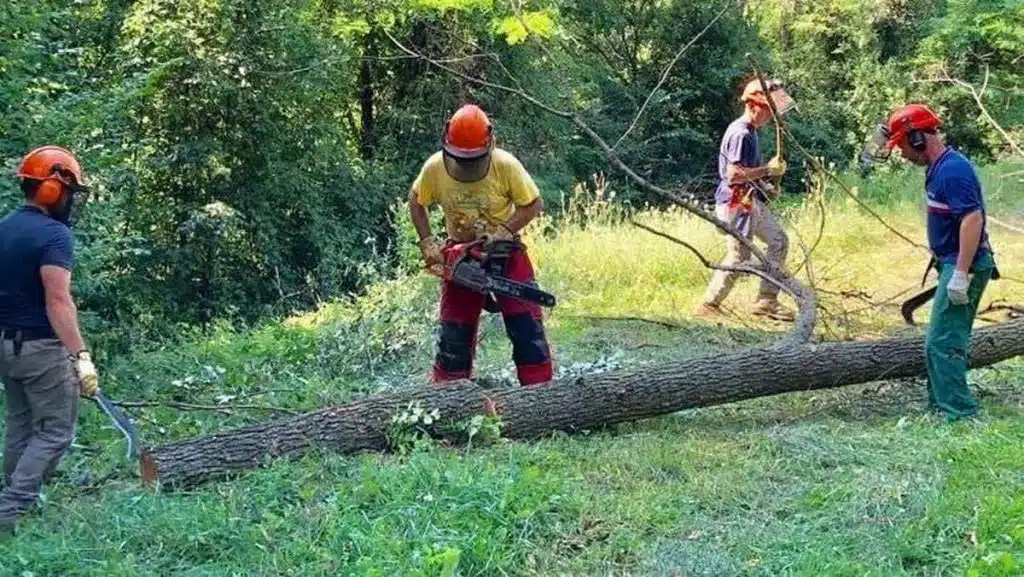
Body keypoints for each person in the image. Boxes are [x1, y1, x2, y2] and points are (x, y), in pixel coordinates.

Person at [409, 104, 553, 387]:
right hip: (461, 255)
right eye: (461, 159)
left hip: (505, 252)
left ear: (489, 143)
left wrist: (504, 230)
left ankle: (539, 391)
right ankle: (449, 392)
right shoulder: (435, 168)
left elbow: (533, 203)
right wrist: (427, 242)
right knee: (454, 334)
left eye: (472, 159)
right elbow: (416, 202)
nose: (466, 164)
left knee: (526, 327)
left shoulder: (505, 165)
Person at [872, 103, 996, 421]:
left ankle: (959, 412)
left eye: (902, 145)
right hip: (952, 262)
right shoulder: (940, 167)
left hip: (965, 264)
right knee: (938, 339)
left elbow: (972, 219)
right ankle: (941, 404)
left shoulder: (953, 170)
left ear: (917, 138)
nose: (901, 153)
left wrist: (961, 273)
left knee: (944, 341)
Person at [0, 146, 99, 535]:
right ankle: (11, 509)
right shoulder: (55, 235)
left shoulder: (5, 227)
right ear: (51, 188)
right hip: (41, 348)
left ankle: (11, 495)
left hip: (5, 345)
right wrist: (81, 356)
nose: (71, 200)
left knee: (21, 423)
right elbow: (58, 301)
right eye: (68, 191)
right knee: (56, 431)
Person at [697, 78, 795, 322]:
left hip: (750, 200)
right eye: (767, 110)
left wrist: (765, 187)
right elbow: (733, 175)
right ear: (751, 106)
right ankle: (709, 304)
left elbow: (748, 173)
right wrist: (768, 170)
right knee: (739, 257)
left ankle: (766, 301)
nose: (770, 117)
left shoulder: (751, 132)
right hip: (736, 203)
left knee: (779, 241)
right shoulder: (741, 133)